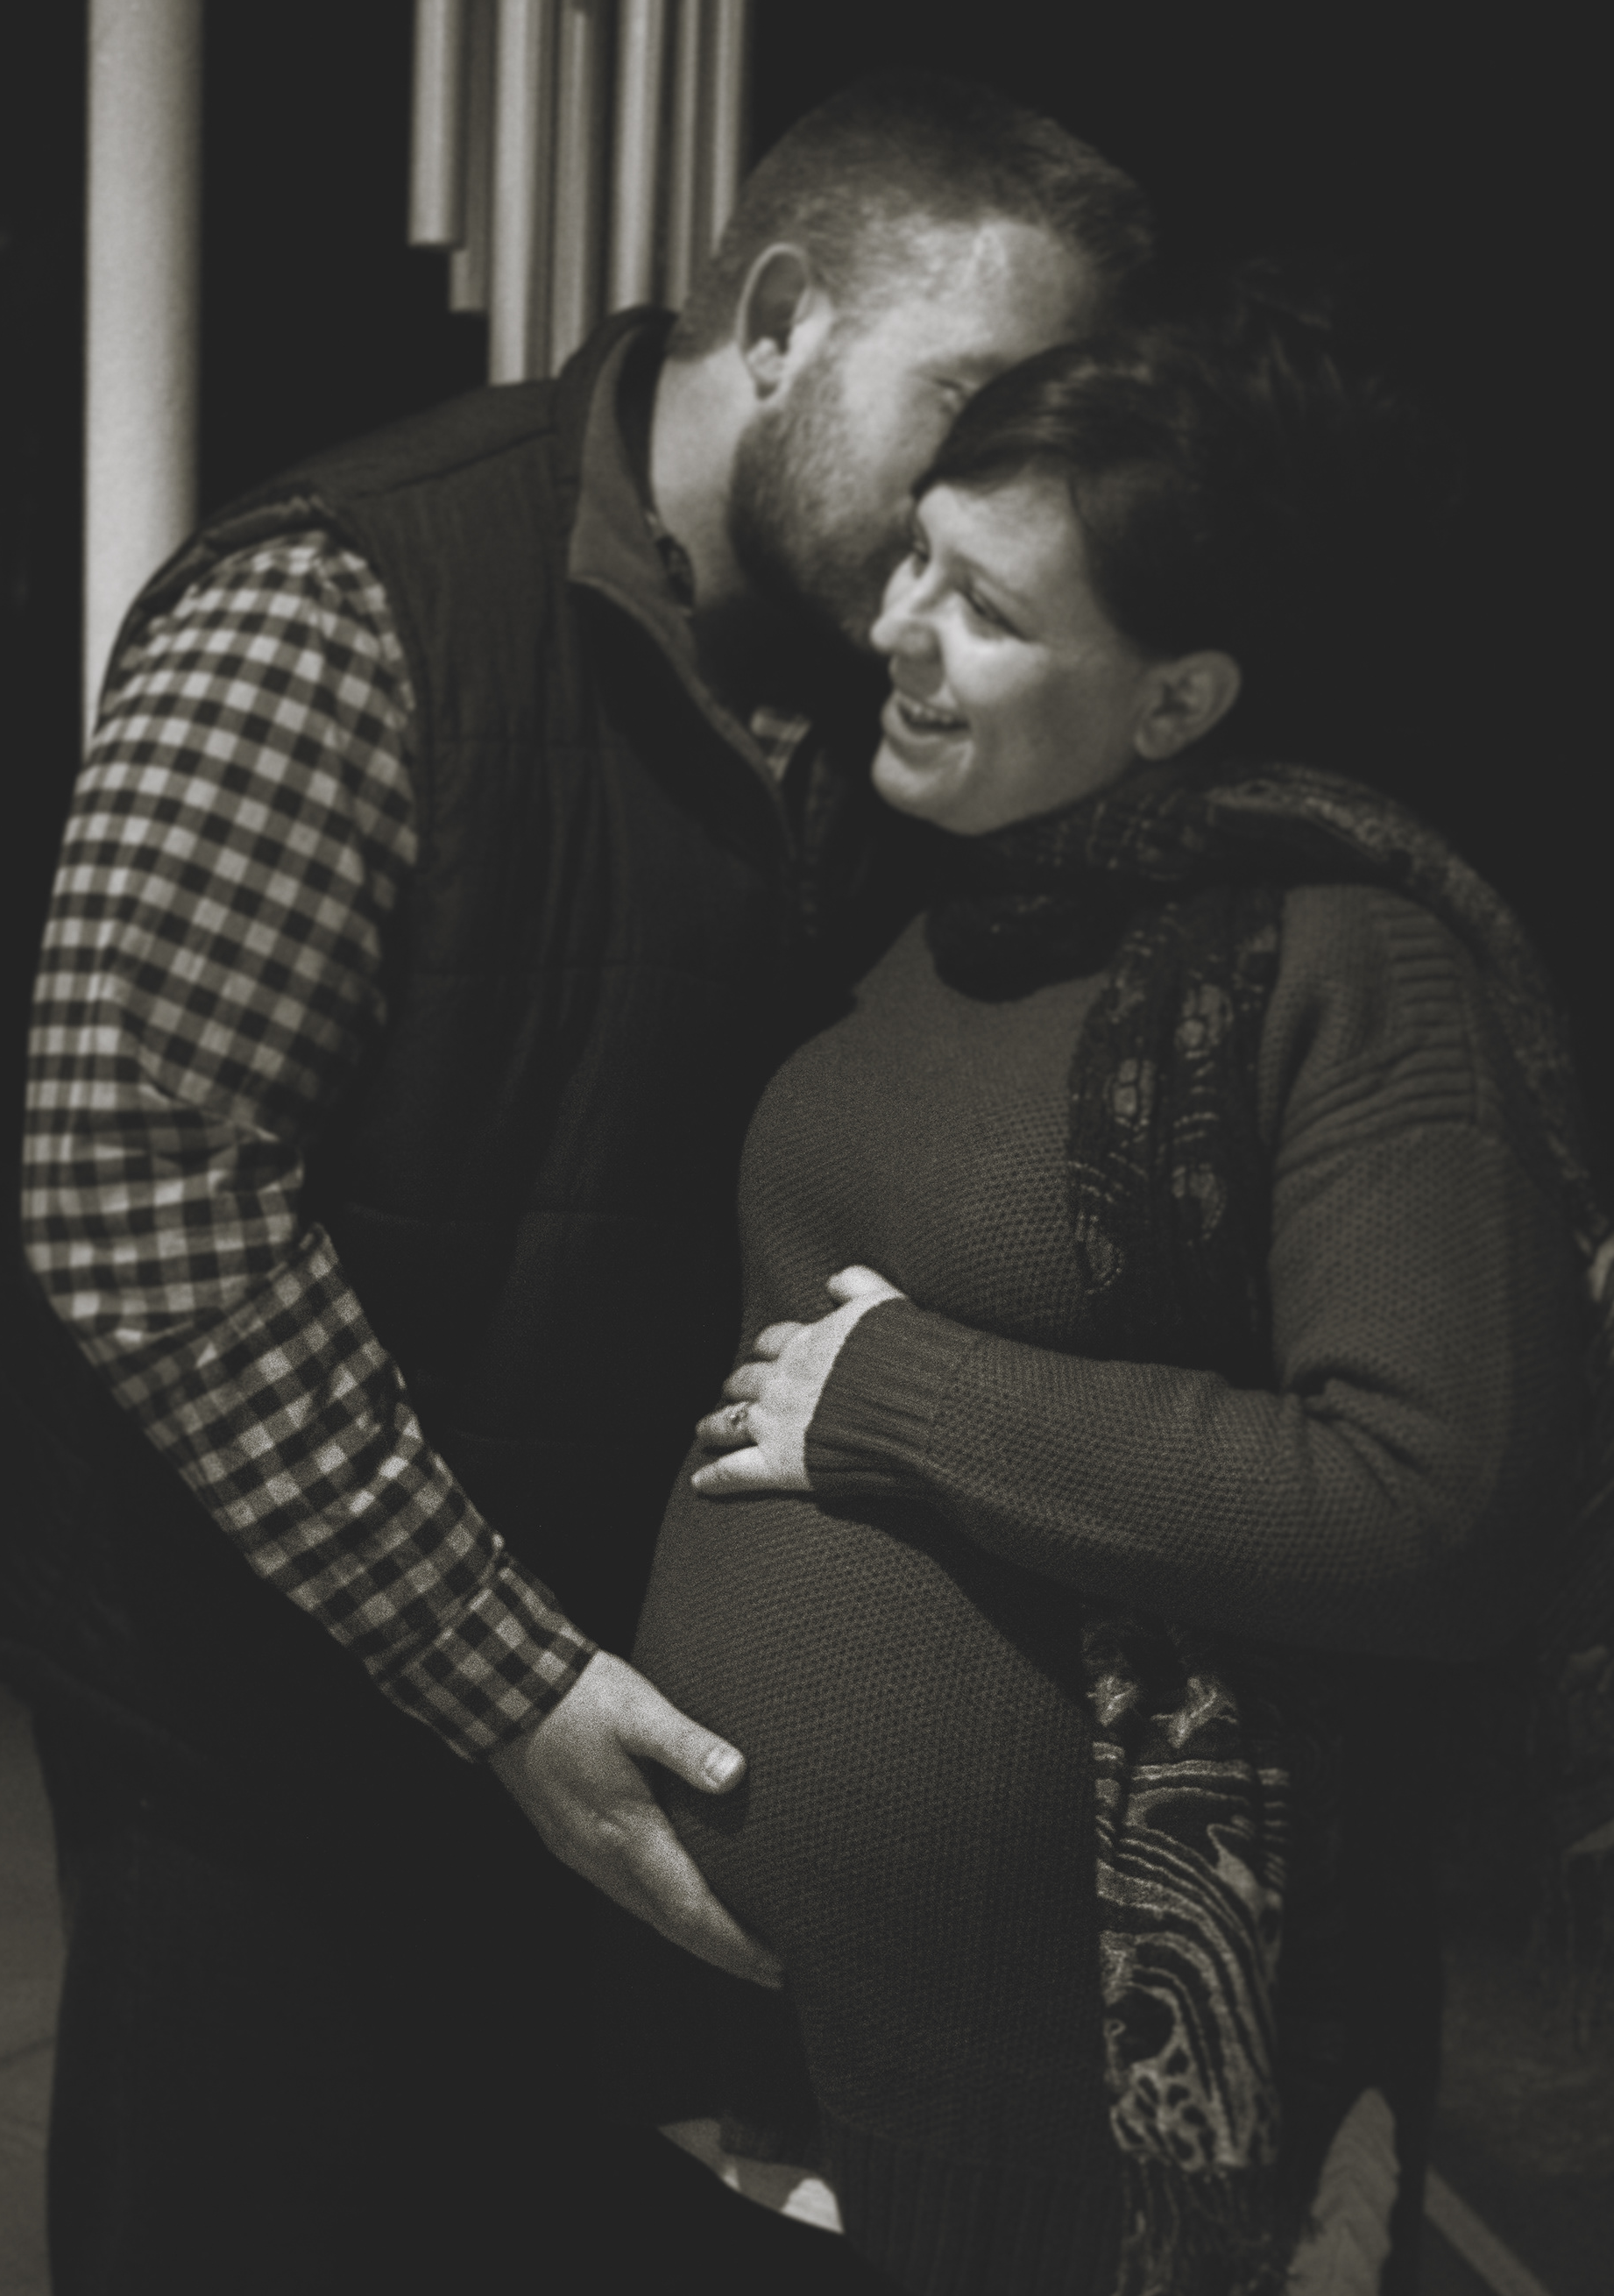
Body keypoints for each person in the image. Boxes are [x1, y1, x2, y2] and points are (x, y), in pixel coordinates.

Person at [0, 74, 1155, 2294]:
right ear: (777, 321)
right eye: (969, 405)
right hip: (260, 1738)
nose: (991, 498)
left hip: (601, 1722)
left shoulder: (874, 680)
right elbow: (137, 1191)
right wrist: (507, 1680)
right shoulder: (347, 595)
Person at [605, 276, 1602, 2295]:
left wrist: (907, 1400)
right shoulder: (932, 895)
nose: (896, 628)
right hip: (765, 2048)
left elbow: (1437, 1501)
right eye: (915, 559)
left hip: (1066, 2121)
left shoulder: (1340, 954)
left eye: (985, 607)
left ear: (1177, 700)